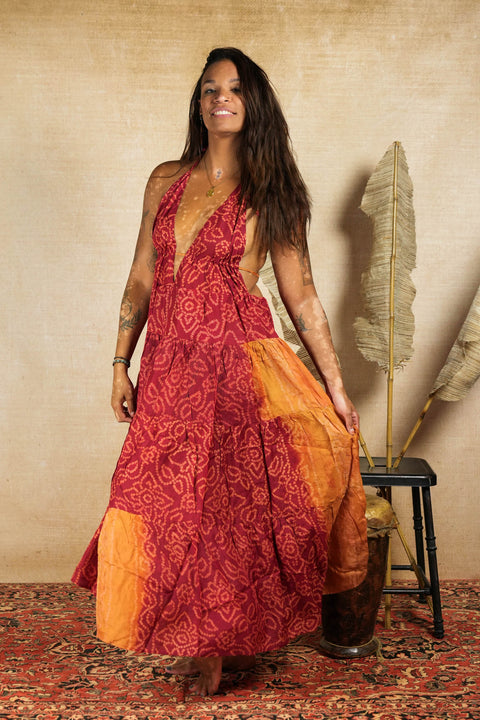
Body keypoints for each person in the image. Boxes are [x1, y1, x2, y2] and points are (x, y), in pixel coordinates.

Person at [72, 47, 368, 697]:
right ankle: (194, 631)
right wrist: (120, 363)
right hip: (169, 366)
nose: (221, 97)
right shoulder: (164, 180)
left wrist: (337, 388)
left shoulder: (273, 192)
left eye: (234, 88)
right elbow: (141, 276)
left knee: (221, 511)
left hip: (237, 367)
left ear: (253, 102)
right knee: (157, 499)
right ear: (199, 103)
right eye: (210, 88)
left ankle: (210, 644)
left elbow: (303, 297)